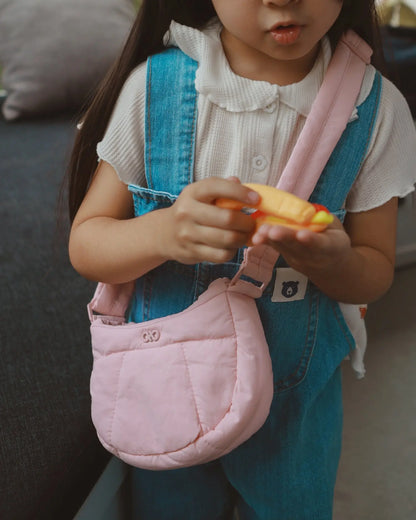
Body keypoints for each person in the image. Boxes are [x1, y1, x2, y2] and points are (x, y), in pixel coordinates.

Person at [67, 0, 416, 518]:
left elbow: (375, 272)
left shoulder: (377, 109)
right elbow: (86, 245)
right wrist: (163, 232)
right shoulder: (151, 89)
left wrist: (335, 263)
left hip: (293, 420)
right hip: (167, 396)